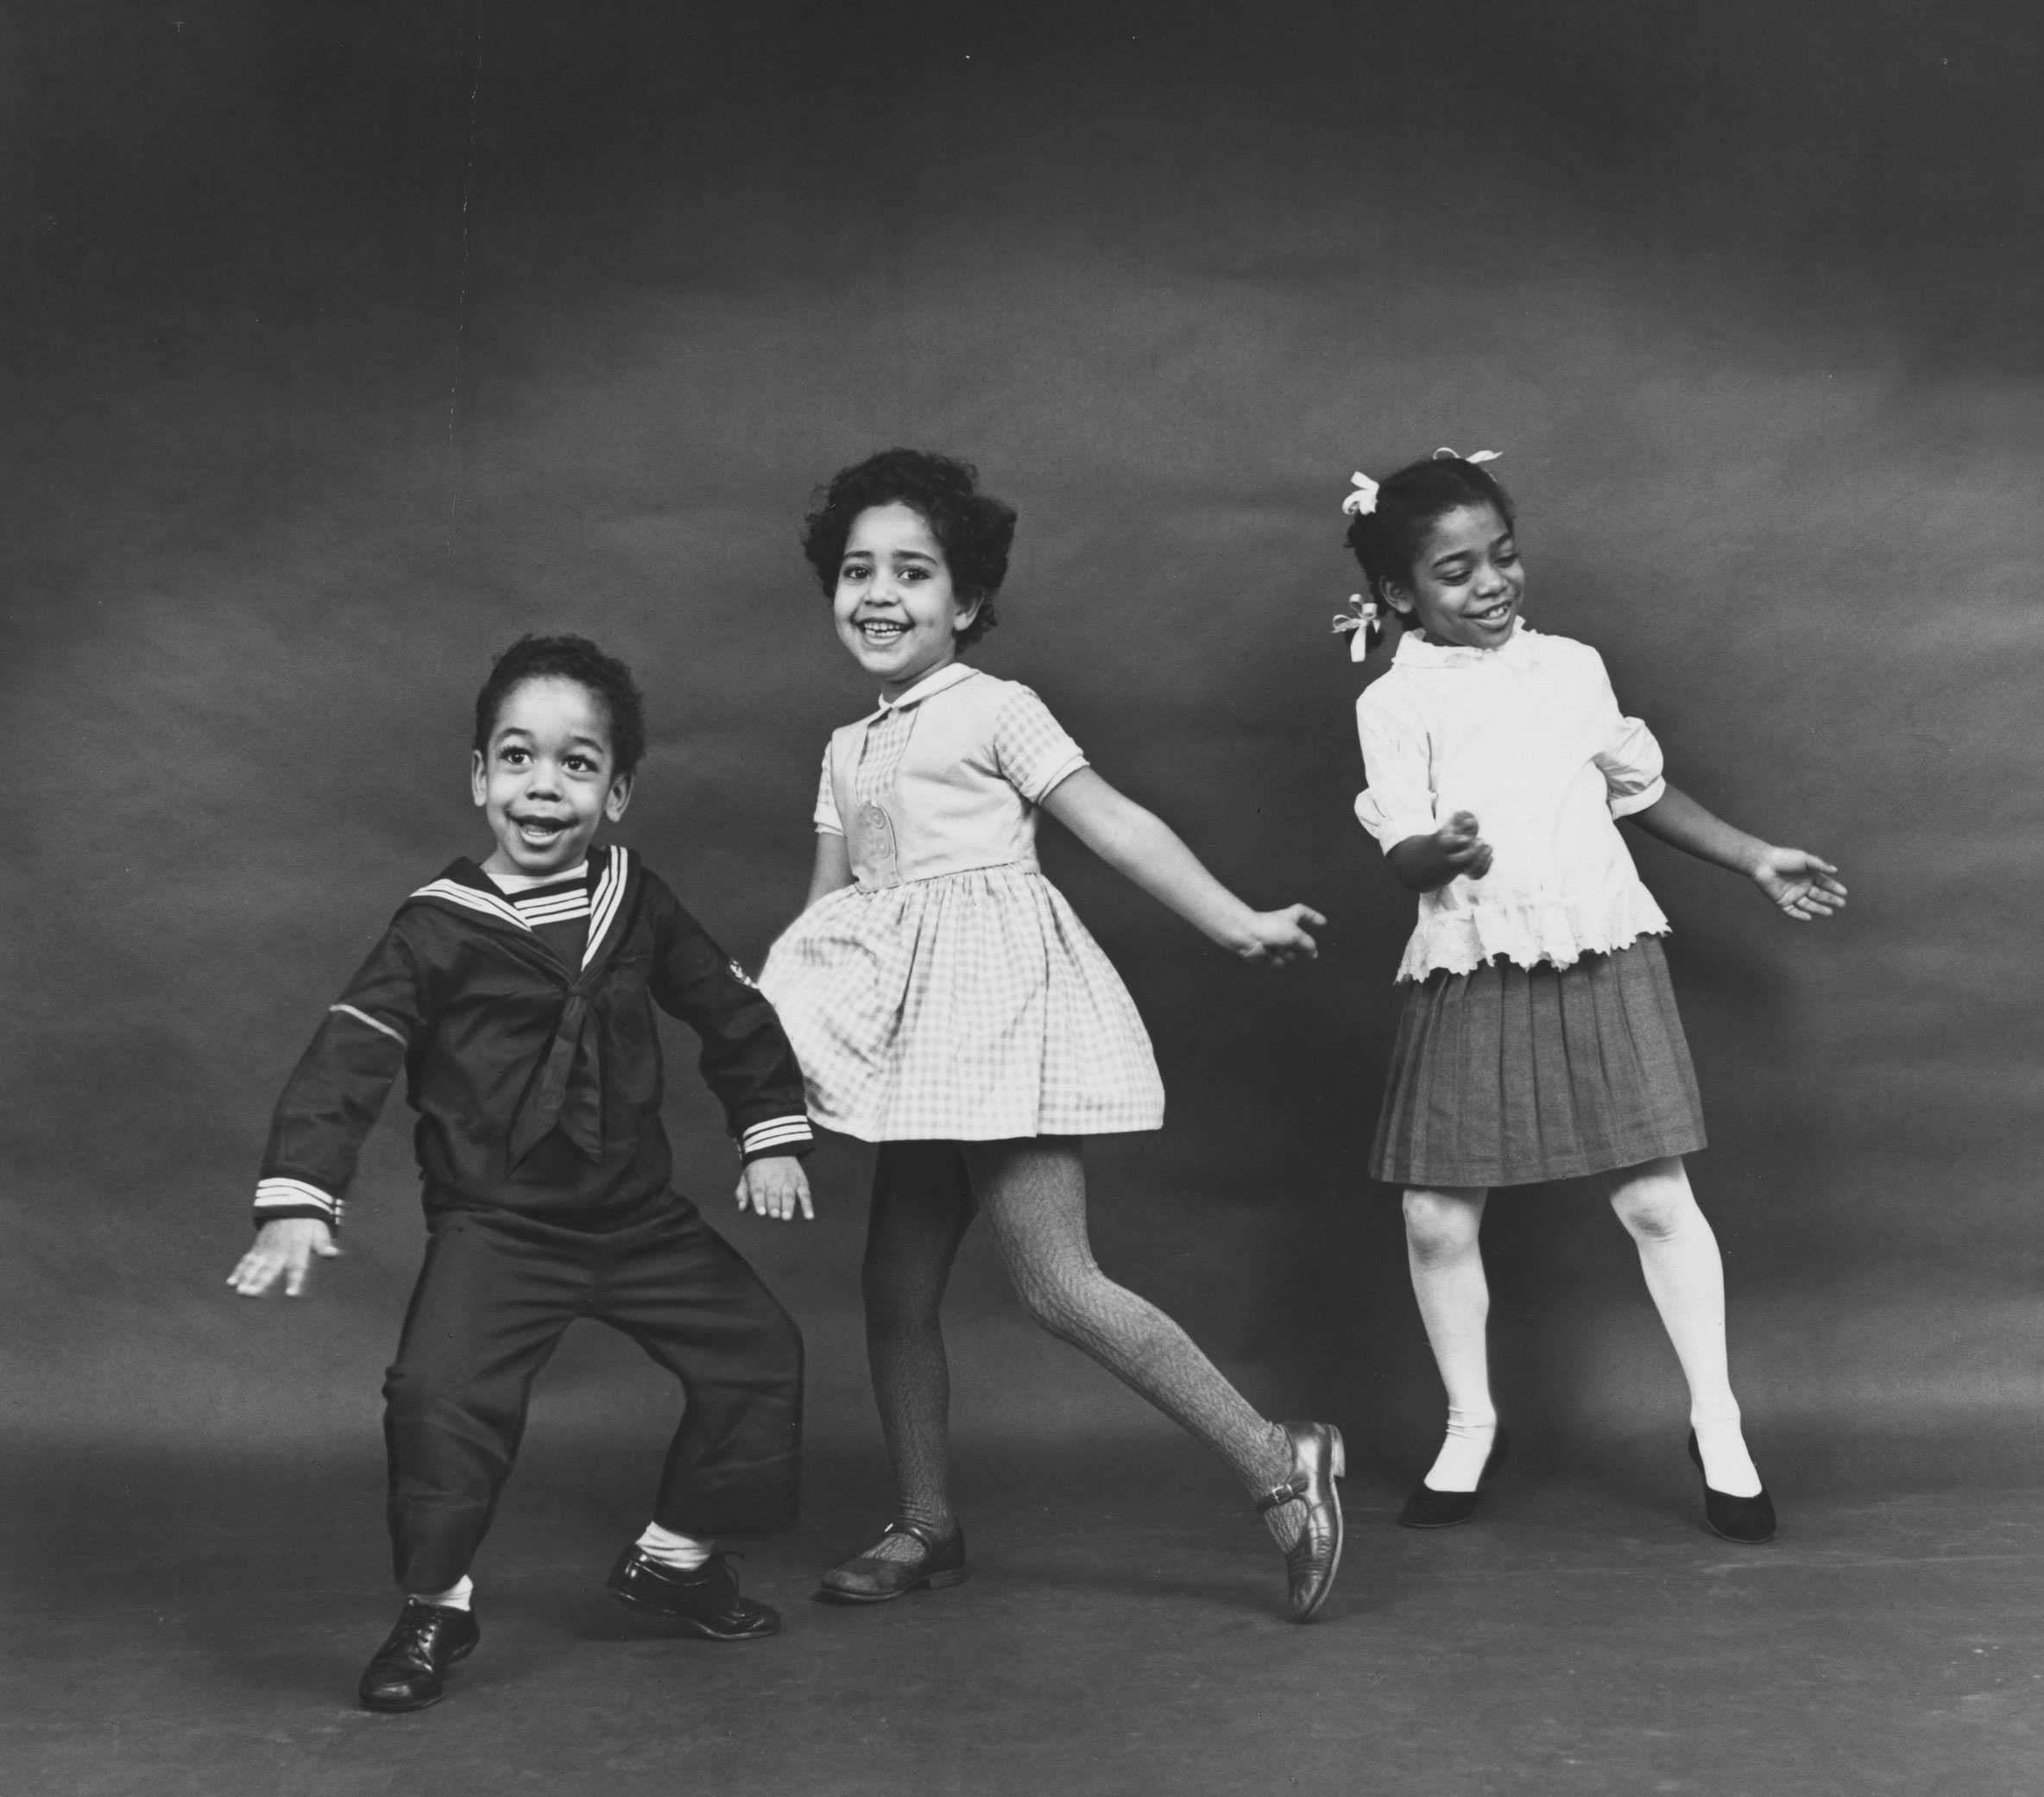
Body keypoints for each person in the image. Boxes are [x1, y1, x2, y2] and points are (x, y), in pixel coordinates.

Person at [760, 448, 1345, 1623]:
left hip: (999, 1020)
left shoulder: (995, 709)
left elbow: (1114, 822)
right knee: (893, 1286)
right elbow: (828, 910)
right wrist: (761, 1027)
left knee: (1058, 1283)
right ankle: (927, 1523)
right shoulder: (845, 748)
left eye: (913, 572)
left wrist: (1234, 921)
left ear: (967, 601)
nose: (879, 593)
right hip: (910, 1038)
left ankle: (1282, 1463)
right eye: (858, 570)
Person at [227, 634, 817, 1712]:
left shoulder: (637, 898)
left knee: (761, 1358)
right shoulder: (434, 928)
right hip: (499, 1229)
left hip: (637, 1218)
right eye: (517, 758)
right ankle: (435, 1606)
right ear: (479, 778)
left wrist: (768, 1130)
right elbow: (349, 1057)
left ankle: (673, 1559)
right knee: (437, 1396)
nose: (543, 786)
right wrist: (298, 1200)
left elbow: (729, 1011)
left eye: (577, 764)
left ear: (620, 790)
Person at [1341, 449, 1846, 1542]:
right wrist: (1442, 849)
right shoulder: (1393, 702)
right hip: (1472, 963)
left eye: (1504, 557)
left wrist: (1754, 855)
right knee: (1433, 1215)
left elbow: (1641, 791)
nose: (1491, 585)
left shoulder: (1572, 669)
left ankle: (1717, 1424)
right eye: (1455, 571)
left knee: (1655, 1200)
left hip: (1597, 948)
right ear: (1396, 594)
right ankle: (1471, 1423)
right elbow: (1402, 855)